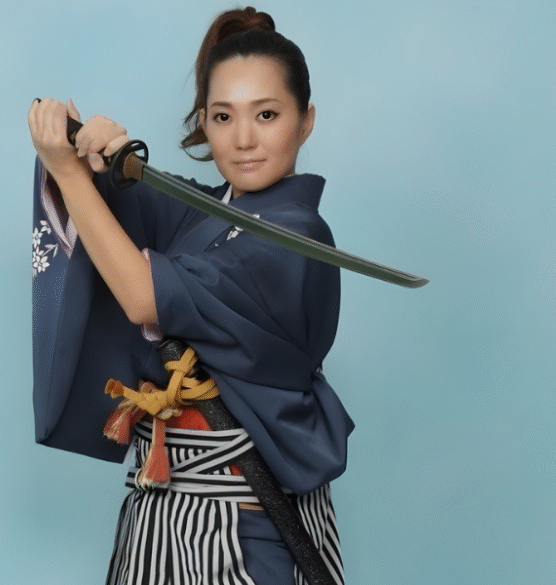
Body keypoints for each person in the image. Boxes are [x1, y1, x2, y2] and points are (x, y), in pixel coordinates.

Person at [27, 7, 351, 584]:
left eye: (268, 114)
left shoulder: (296, 239)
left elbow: (141, 297)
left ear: (306, 122)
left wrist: (74, 179)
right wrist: (89, 162)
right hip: (158, 521)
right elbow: (128, 213)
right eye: (224, 116)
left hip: (245, 527)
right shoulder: (212, 217)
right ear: (204, 120)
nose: (244, 138)